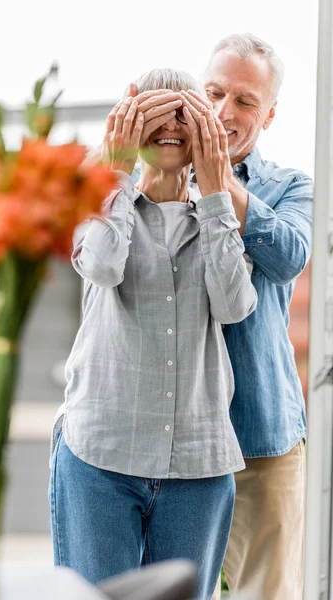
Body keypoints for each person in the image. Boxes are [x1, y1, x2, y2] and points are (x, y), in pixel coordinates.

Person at [48, 68, 257, 600]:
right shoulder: (97, 202)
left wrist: (214, 192)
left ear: (203, 134)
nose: (169, 129)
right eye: (153, 116)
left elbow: (234, 306)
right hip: (101, 455)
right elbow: (100, 265)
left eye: (184, 117)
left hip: (199, 462)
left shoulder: (219, 219)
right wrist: (113, 171)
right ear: (128, 130)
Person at [133, 34, 313, 600]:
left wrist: (218, 185)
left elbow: (288, 257)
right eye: (213, 93)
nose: (222, 112)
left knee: (267, 592)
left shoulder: (292, 187)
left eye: (244, 101)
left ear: (270, 114)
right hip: (175, 444)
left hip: (262, 437)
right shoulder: (157, 176)